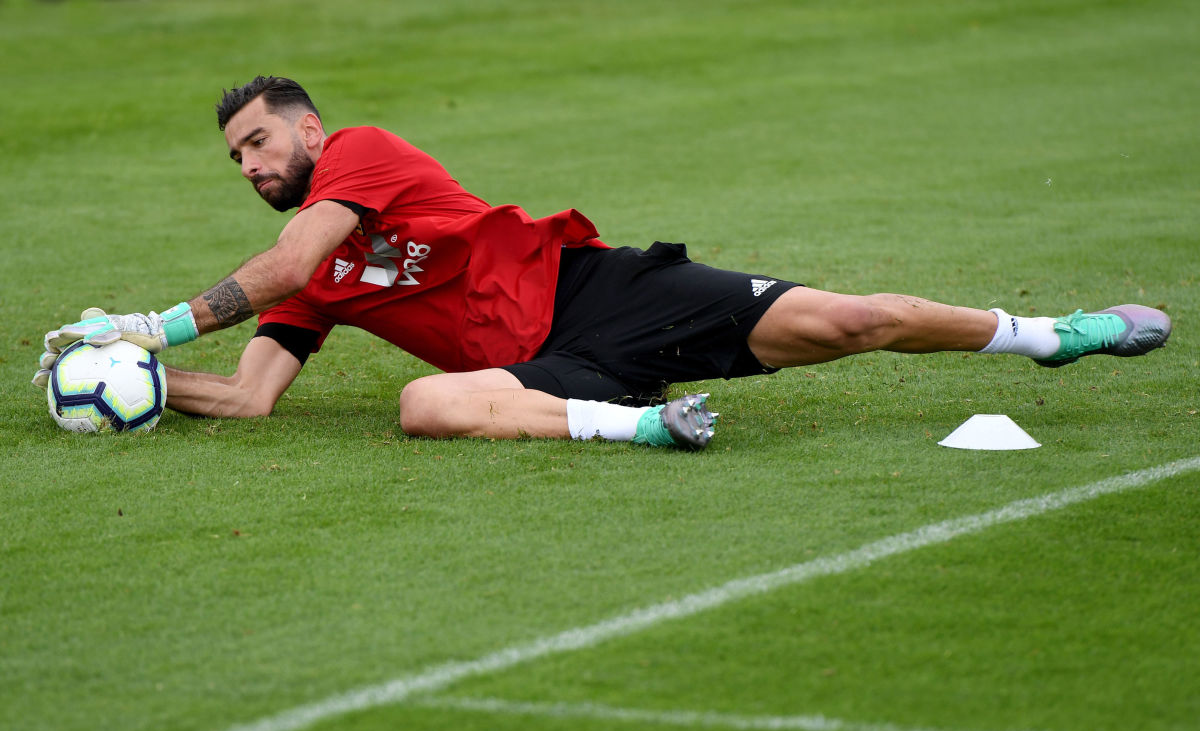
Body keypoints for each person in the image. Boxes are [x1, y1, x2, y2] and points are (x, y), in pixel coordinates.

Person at [34, 76, 1172, 450]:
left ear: (313, 136)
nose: (246, 163)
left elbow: (286, 266)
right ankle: (648, 429)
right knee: (423, 405)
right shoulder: (320, 279)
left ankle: (1055, 335)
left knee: (850, 320)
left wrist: (149, 328)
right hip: (540, 371)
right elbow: (249, 397)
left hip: (598, 291)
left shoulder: (364, 162)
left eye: (258, 142)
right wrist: (129, 382)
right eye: (234, 156)